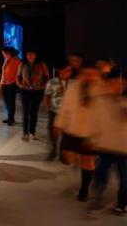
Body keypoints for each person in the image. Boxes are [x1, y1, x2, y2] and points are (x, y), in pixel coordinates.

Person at [55, 64, 100, 202]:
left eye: (92, 74)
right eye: (86, 74)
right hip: (72, 130)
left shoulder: (101, 90)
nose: (89, 77)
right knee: (67, 158)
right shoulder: (73, 87)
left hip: (90, 133)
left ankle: (84, 190)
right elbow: (65, 107)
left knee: (87, 161)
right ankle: (84, 166)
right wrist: (58, 124)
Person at [87, 69, 127, 217]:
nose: (118, 86)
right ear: (107, 84)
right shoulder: (100, 101)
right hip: (106, 146)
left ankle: (122, 204)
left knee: (125, 180)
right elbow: (94, 123)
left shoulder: (124, 101)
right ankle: (96, 202)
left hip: (124, 148)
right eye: (114, 83)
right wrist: (92, 139)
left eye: (120, 83)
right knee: (101, 177)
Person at [17, 50, 49, 141]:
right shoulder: (22, 64)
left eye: (32, 54)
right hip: (25, 91)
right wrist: (20, 85)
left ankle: (32, 132)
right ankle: (25, 133)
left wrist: (43, 86)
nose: (30, 56)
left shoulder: (41, 64)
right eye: (28, 54)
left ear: (36, 55)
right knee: (25, 112)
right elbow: (18, 76)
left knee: (34, 112)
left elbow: (47, 76)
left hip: (37, 91)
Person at [44, 62, 72, 160]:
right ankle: (53, 150)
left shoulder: (73, 82)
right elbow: (47, 96)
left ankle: (62, 153)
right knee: (53, 133)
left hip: (68, 113)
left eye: (70, 70)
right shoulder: (52, 82)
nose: (69, 72)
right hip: (54, 111)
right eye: (67, 70)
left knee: (66, 134)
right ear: (61, 70)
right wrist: (48, 109)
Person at [0, 47, 21, 125]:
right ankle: (10, 117)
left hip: (12, 84)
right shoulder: (6, 60)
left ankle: (11, 119)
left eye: (4, 53)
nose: (3, 55)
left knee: (11, 102)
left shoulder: (16, 60)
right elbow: (3, 72)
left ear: (8, 52)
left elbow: (20, 72)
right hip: (5, 84)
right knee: (6, 101)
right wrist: (1, 83)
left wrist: (16, 81)